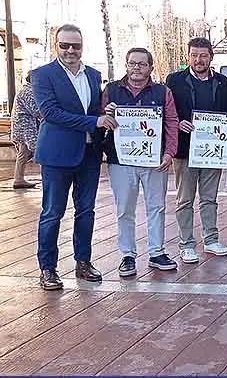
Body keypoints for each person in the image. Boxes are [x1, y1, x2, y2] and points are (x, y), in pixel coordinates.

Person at [32, 24, 117, 290]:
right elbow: (51, 113)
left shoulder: (93, 74)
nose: (70, 50)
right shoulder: (42, 75)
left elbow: (95, 110)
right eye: (64, 45)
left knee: (86, 212)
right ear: (55, 45)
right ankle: (48, 269)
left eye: (75, 46)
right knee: (52, 213)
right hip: (57, 155)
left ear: (82, 47)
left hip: (89, 155)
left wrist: (108, 111)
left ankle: (83, 262)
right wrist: (95, 121)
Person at [102, 48, 179, 276]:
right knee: (124, 209)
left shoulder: (162, 91)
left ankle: (157, 252)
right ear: (126, 65)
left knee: (157, 207)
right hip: (121, 160)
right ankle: (127, 255)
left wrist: (169, 153)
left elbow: (172, 122)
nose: (137, 67)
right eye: (132, 63)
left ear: (150, 68)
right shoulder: (111, 90)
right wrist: (108, 115)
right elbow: (99, 120)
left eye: (142, 64)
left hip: (154, 159)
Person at [166, 37, 227, 264]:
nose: (198, 59)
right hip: (185, 151)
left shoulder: (223, 82)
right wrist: (177, 123)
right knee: (184, 199)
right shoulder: (174, 81)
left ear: (211, 57)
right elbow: (167, 112)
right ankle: (186, 244)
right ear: (188, 57)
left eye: (203, 55)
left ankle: (211, 239)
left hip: (213, 151)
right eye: (194, 55)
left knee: (209, 198)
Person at [11, 71, 42, 189]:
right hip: (26, 128)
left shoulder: (27, 90)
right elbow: (36, 111)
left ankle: (18, 179)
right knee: (38, 151)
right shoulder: (28, 92)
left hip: (23, 128)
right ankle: (48, 176)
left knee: (23, 153)